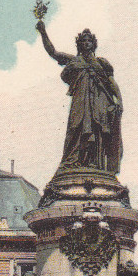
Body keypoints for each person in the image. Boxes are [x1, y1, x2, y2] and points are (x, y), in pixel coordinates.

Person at [36, 21, 123, 174]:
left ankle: (94, 164)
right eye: (83, 40)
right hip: (80, 101)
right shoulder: (74, 60)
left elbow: (112, 83)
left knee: (97, 131)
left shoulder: (101, 63)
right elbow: (53, 52)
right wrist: (43, 32)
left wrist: (119, 100)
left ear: (94, 44)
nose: (86, 43)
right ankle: (73, 161)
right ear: (79, 44)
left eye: (89, 40)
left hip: (98, 102)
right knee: (76, 127)